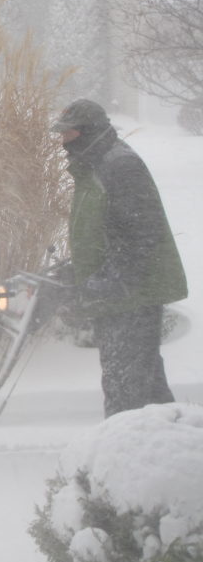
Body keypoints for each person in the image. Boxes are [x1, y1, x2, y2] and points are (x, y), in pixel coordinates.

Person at [52, 98, 187, 418]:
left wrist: (104, 284)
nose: (62, 141)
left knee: (125, 395)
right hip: (119, 296)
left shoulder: (120, 166)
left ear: (88, 132)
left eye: (67, 133)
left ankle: (125, 457)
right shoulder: (94, 166)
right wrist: (73, 274)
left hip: (133, 298)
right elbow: (104, 236)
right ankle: (169, 446)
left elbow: (141, 238)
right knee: (148, 390)